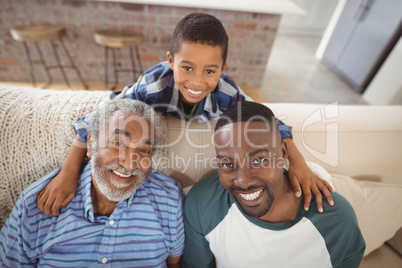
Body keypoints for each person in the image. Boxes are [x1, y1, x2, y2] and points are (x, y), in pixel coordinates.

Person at [37, 12, 333, 217]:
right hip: (131, 97)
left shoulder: (227, 93)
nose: (196, 81)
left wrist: (299, 164)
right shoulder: (154, 85)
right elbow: (94, 120)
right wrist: (68, 174)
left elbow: (272, 124)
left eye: (210, 71)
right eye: (186, 67)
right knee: (115, 102)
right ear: (170, 61)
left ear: (223, 70)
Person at [0, 99, 184, 267]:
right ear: (90, 145)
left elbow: (174, 264)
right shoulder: (35, 206)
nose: (129, 164)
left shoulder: (169, 198)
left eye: (144, 150)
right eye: (118, 143)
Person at [182, 101, 365, 268]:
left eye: (258, 160)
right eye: (227, 164)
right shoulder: (203, 204)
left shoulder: (338, 220)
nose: (243, 181)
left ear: (284, 153)